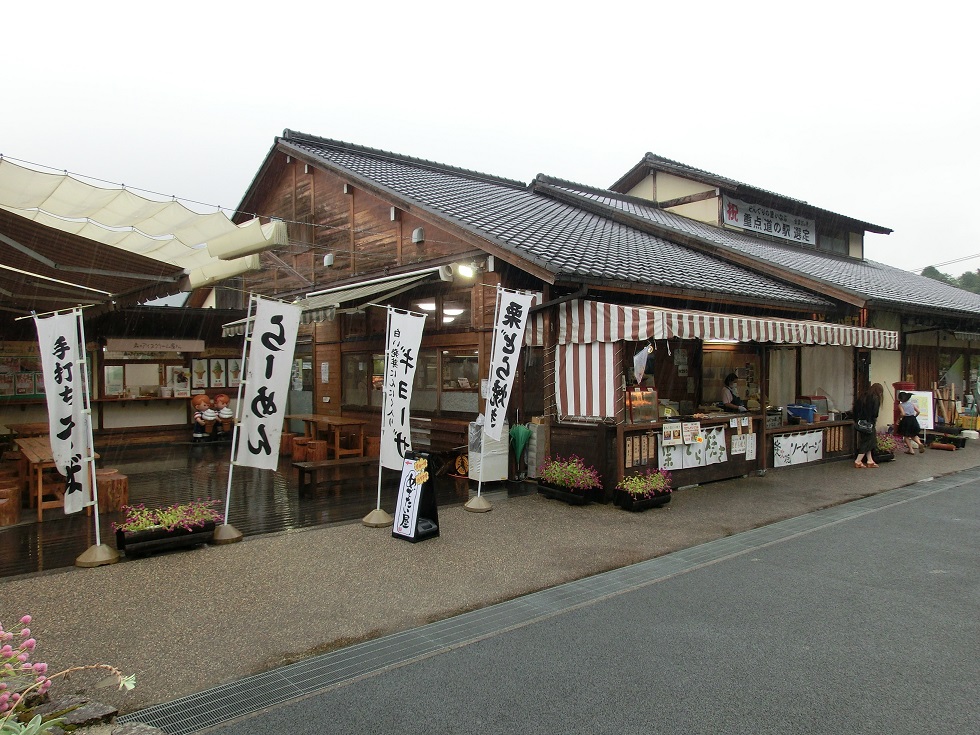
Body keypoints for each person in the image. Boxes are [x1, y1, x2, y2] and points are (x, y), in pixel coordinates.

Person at [853, 383, 884, 468]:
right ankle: (858, 461)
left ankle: (870, 460)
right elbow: (875, 413)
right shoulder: (875, 398)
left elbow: (855, 409)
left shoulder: (863, 396)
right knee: (868, 441)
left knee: (867, 441)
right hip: (869, 423)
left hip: (861, 422)